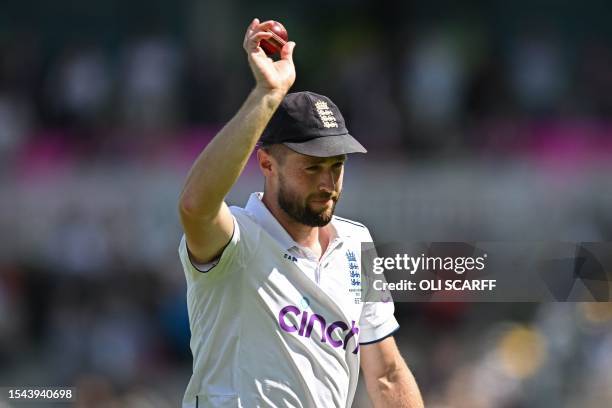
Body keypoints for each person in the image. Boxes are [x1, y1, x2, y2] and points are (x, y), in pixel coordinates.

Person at [177, 18, 424, 408]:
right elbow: (195, 205)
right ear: (267, 164)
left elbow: (387, 374)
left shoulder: (357, 244)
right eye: (311, 167)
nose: (328, 183)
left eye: (337, 166)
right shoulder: (237, 240)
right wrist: (268, 94)